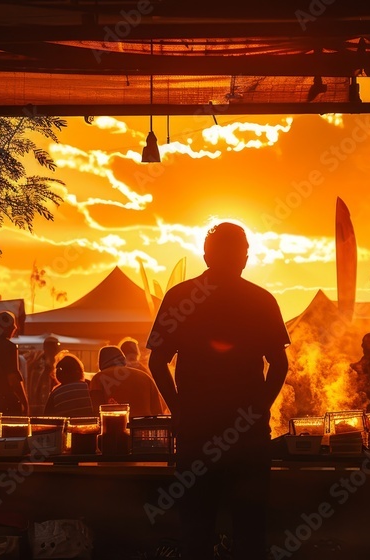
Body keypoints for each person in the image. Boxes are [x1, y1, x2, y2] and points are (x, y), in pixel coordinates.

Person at [148, 222, 289, 560]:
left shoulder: (180, 297)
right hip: (247, 437)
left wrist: (179, 412)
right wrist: (260, 409)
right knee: (250, 534)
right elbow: (279, 364)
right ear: (246, 257)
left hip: (197, 433)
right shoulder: (261, 299)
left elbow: (157, 362)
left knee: (196, 532)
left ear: (205, 255)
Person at [90, 346, 163, 417]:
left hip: (116, 425)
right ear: (123, 359)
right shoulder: (145, 376)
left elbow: (96, 411)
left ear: (101, 363)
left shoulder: (99, 378)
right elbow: (158, 411)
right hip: (144, 426)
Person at [27, 336, 60, 415]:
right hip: (38, 402)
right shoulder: (37, 362)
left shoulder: (59, 361)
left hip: (53, 400)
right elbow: (34, 383)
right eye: (51, 347)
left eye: (54, 347)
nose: (53, 350)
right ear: (45, 347)